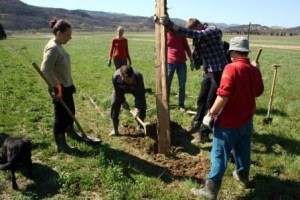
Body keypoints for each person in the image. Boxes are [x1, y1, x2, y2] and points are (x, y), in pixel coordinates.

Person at [191, 37, 264, 199]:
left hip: (228, 124)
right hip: (246, 121)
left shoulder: (231, 68)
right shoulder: (253, 70)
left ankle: (210, 190)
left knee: (218, 155)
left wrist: (210, 114)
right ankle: (243, 176)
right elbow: (258, 92)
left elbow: (223, 95)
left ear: (233, 52)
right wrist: (258, 71)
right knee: (243, 151)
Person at [158, 16, 228, 143]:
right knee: (201, 98)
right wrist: (168, 27)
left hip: (219, 70)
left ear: (198, 25)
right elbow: (196, 45)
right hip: (209, 71)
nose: (193, 37)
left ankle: (204, 133)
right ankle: (196, 124)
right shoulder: (199, 35)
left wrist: (173, 25)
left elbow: (194, 34)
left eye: (194, 31)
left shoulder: (212, 30)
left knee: (210, 102)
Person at [40, 18, 79, 153]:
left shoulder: (59, 46)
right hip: (59, 88)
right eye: (68, 34)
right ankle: (61, 144)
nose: (70, 37)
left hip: (66, 86)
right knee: (61, 116)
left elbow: (63, 68)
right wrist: (57, 87)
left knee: (70, 113)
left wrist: (70, 83)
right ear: (59, 33)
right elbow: (45, 70)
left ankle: (71, 133)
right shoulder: (52, 47)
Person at [110, 65, 146, 136]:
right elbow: (118, 92)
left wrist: (137, 108)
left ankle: (140, 125)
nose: (130, 81)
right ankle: (115, 129)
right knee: (114, 104)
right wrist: (123, 101)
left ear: (133, 74)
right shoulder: (115, 77)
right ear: (121, 76)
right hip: (121, 89)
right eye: (128, 80)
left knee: (142, 104)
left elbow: (140, 95)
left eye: (131, 79)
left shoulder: (138, 77)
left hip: (135, 89)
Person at [166, 30, 192, 111]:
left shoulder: (181, 34)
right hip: (170, 63)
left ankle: (181, 105)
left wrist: (191, 59)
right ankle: (166, 103)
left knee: (182, 85)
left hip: (181, 63)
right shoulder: (165, 35)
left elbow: (186, 46)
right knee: (167, 84)